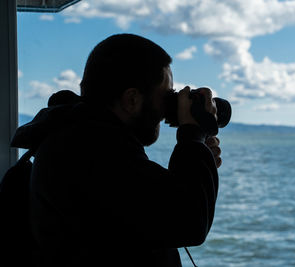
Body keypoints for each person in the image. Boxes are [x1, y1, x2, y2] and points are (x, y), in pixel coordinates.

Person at [11, 34, 221, 266]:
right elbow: (188, 220)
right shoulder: (91, 150)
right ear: (131, 99)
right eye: (166, 97)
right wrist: (192, 136)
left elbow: (151, 201)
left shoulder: (76, 138)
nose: (168, 110)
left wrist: (197, 155)